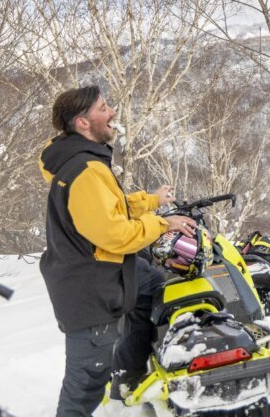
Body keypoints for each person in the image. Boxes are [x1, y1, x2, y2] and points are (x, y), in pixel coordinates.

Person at [38, 86, 197, 416]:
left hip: (102, 269)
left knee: (154, 286)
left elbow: (106, 209)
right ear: (83, 122)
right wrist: (162, 224)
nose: (112, 112)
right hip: (90, 289)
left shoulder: (76, 159)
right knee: (83, 388)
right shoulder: (86, 170)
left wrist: (152, 201)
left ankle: (129, 371)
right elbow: (114, 234)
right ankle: (116, 375)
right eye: (103, 108)